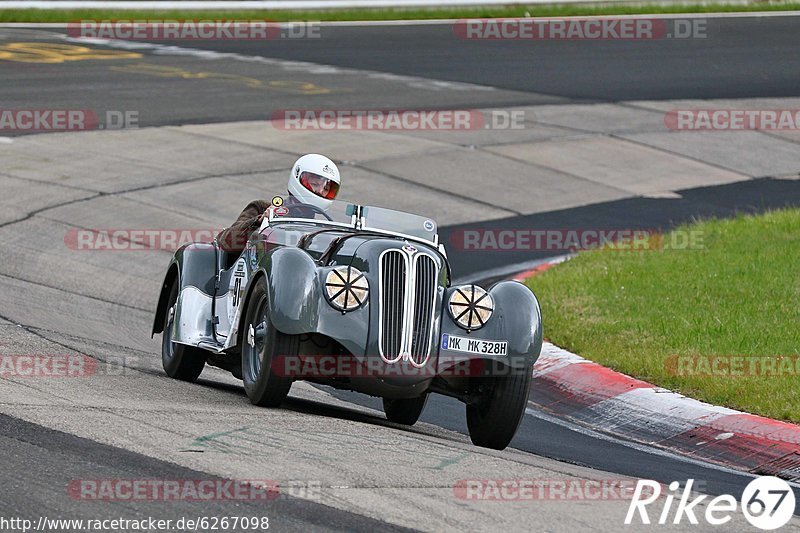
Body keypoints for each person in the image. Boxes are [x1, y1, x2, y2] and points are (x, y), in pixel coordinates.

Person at [217, 153, 341, 253]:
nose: (319, 191)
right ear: (297, 177)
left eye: (325, 189)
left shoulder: (323, 229)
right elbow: (225, 242)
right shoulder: (262, 208)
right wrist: (259, 221)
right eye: (314, 184)